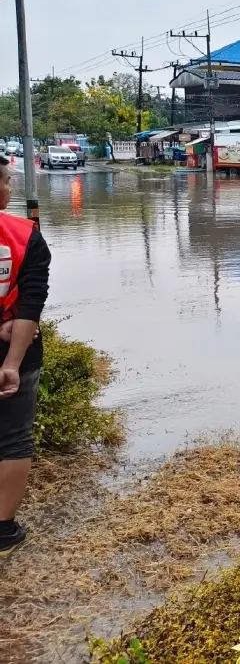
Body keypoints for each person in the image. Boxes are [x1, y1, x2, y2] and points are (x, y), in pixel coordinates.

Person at [0, 154, 51, 557]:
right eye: (5, 180)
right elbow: (31, 304)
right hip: (14, 350)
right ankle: (4, 530)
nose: (9, 187)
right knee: (14, 438)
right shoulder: (24, 235)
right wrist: (12, 364)